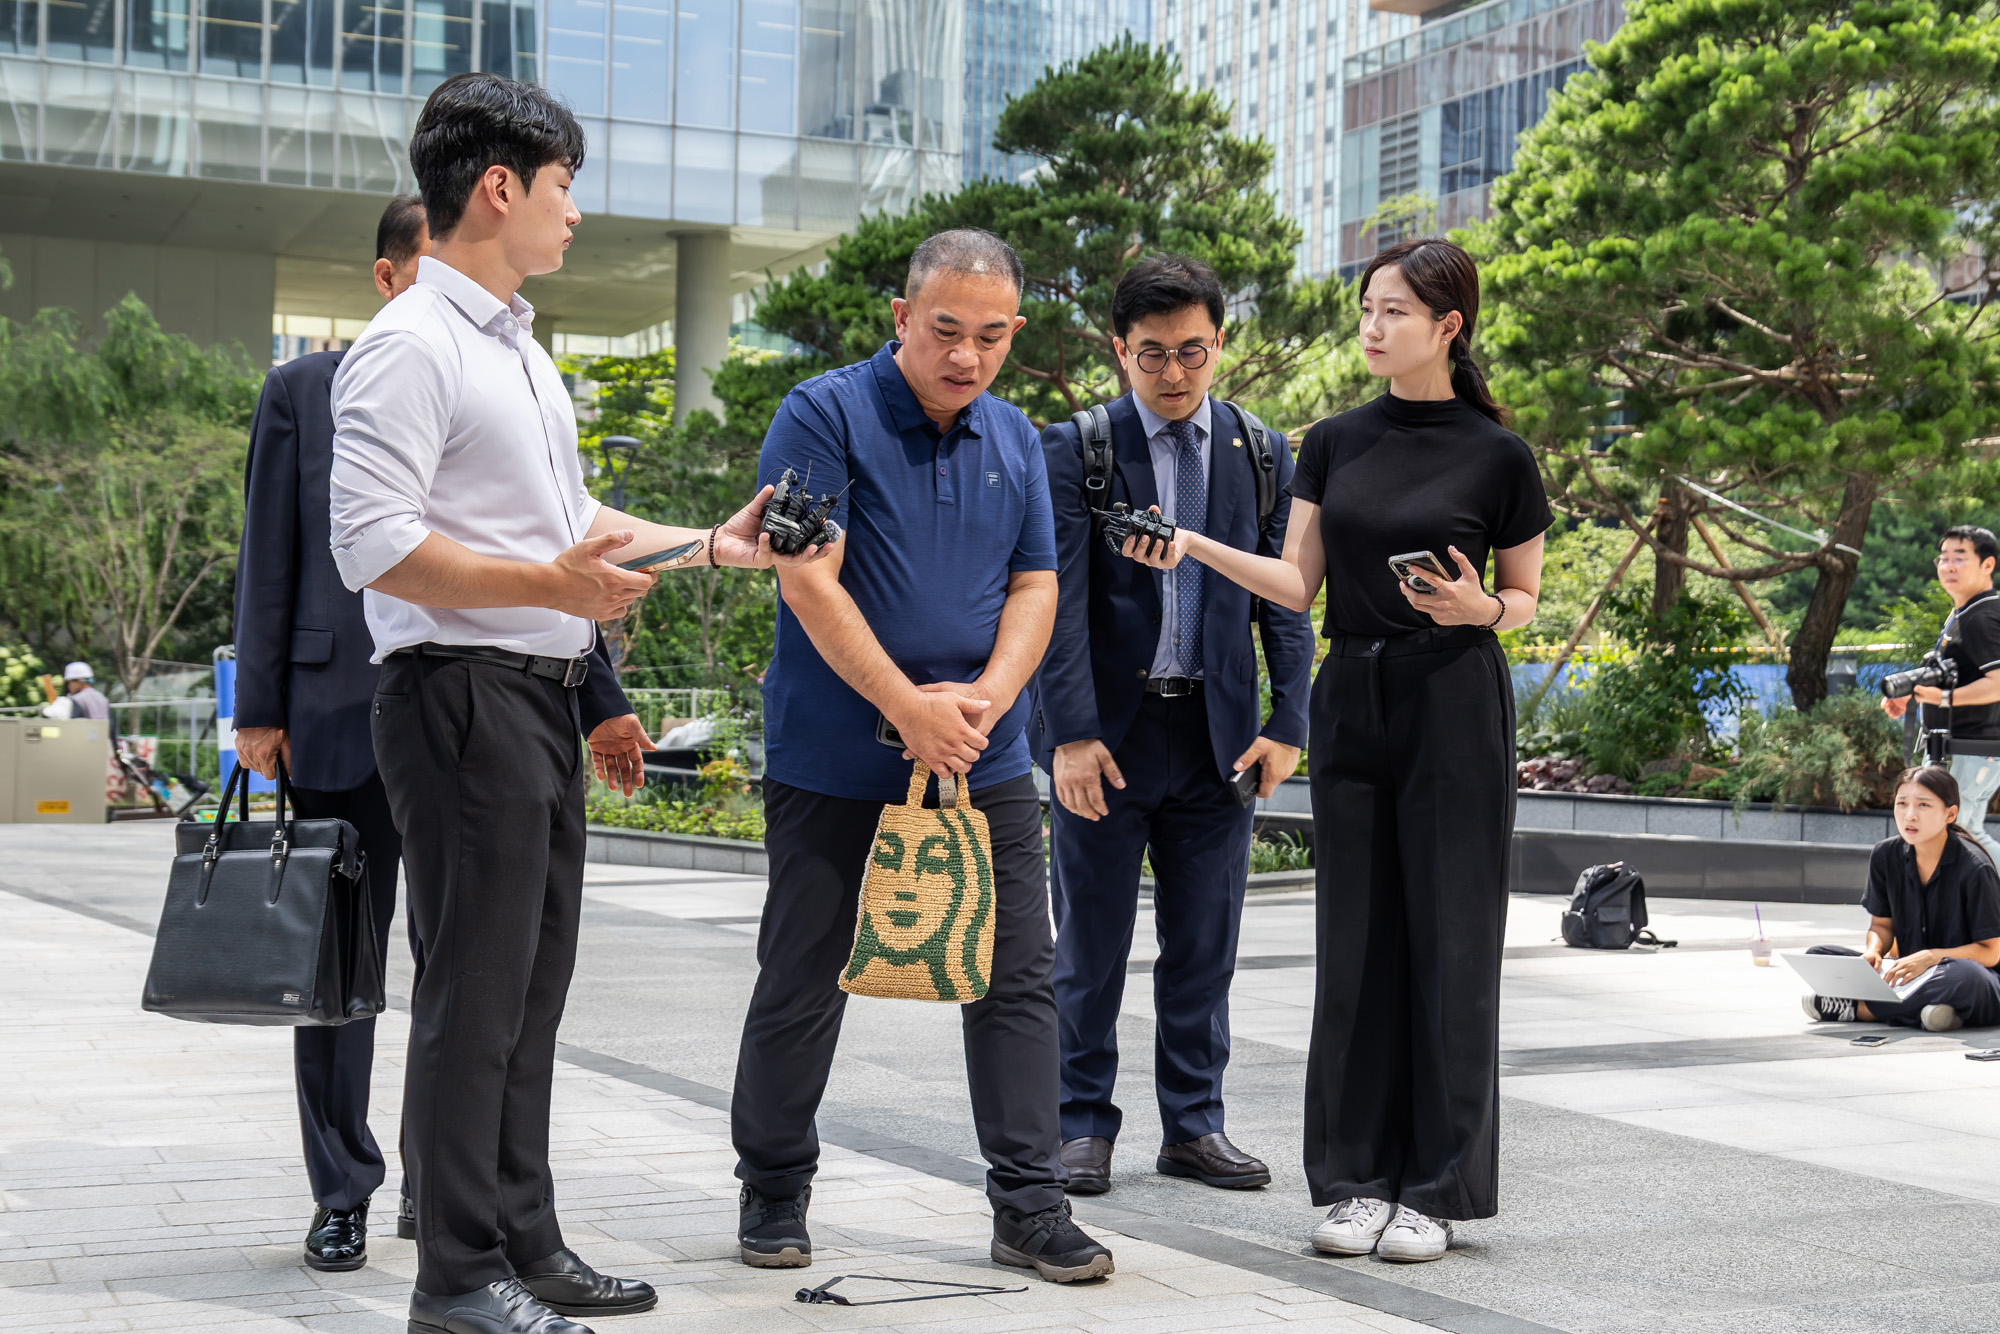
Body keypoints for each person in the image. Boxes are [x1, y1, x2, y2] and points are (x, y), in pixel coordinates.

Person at [328, 73, 829, 1334]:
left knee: (530, 987)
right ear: (499, 186)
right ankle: (453, 1277)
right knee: (470, 991)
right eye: (565, 188)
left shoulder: (518, 349)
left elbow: (575, 529)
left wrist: (716, 545)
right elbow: (370, 542)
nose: (575, 215)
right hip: (457, 695)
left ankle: (523, 1240)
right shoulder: (409, 344)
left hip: (538, 697)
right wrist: (548, 580)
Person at [233, 194, 657, 1275]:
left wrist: (598, 692)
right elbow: (276, 555)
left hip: (497, 695)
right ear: (393, 276)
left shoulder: (514, 365)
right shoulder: (331, 380)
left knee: (472, 970)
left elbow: (555, 541)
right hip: (353, 706)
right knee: (344, 970)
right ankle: (346, 1187)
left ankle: (450, 1188)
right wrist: (258, 709)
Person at [1123, 236, 1548, 1263]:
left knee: (1447, 938)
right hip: (1351, 689)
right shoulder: (1334, 439)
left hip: (1453, 691)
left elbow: (1525, 601)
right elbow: (1294, 581)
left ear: (1447, 326)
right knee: (1354, 942)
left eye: (1392, 311)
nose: (1370, 324)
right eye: (1365, 307)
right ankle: (1354, 1180)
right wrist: (1188, 544)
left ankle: (1436, 1186)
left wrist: (1474, 603)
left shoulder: (1499, 454)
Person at [730, 228, 1116, 1285]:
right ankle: (773, 1185)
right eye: (945, 330)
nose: (967, 356)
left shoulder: (1015, 436)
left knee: (1018, 977)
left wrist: (985, 700)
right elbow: (805, 576)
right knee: (804, 972)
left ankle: (1029, 1205)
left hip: (982, 754)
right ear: (902, 318)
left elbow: (1036, 583)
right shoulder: (823, 413)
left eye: (991, 336)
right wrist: (906, 705)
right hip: (834, 756)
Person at [1030, 255, 1314, 1196]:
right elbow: (1054, 604)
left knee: (1204, 945)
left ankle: (1195, 1125)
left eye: (1194, 351)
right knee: (1091, 944)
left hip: (1218, 738)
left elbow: (1286, 599)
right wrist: (1068, 732)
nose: (1176, 373)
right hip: (1105, 741)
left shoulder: (1263, 453)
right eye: (1153, 355)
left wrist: (1288, 722)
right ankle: (1080, 1126)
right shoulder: (1077, 449)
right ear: (1120, 351)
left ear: (1220, 343)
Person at [1803, 765, 2000, 1031]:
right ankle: (1932, 1012)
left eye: (1923, 805)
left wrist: (1931, 958)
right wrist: (1874, 951)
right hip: (1908, 974)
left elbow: (1990, 952)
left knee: (1966, 977)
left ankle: (1862, 1009)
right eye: (1902, 803)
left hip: (1965, 976)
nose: (1910, 815)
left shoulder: (1975, 868)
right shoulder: (1885, 855)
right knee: (1820, 955)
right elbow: (1882, 926)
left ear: (1950, 814)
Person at [1880, 526, 2000, 863]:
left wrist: (1942, 699)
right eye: (1943, 558)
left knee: (1962, 833)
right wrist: (1913, 695)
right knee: (1951, 833)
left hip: (1973, 748)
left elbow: (1997, 683)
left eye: (1959, 558)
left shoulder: (1983, 615)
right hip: (1957, 747)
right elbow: (1953, 676)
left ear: (1987, 565)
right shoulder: (1963, 612)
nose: (1948, 566)